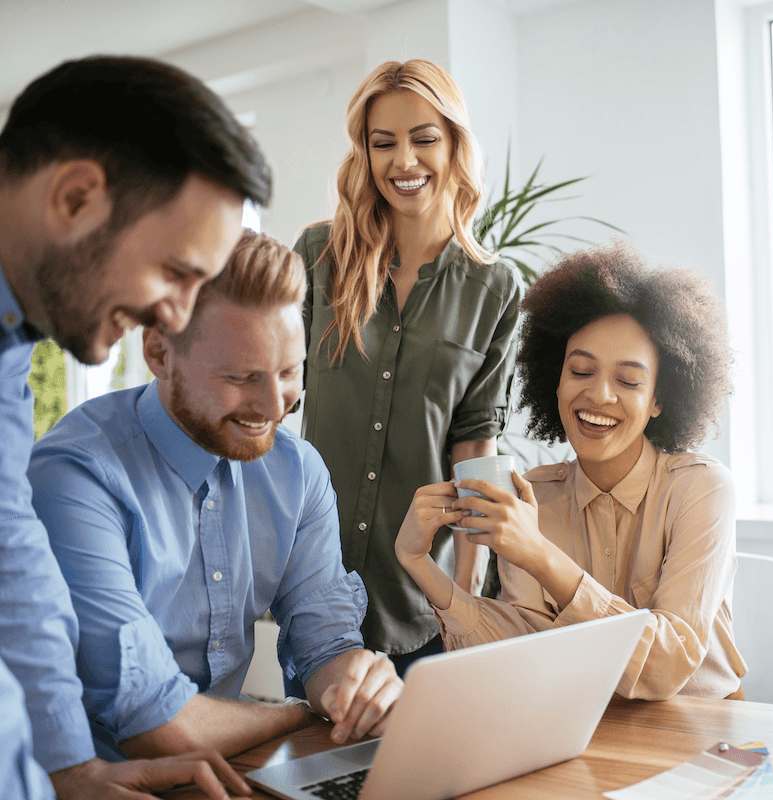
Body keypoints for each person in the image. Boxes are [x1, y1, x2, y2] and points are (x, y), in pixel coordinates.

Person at [0, 55, 270, 798]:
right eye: (177, 272)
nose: (176, 319)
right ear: (77, 197)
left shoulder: (11, 342)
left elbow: (12, 561)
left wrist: (70, 772)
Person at [28, 231, 402, 762]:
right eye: (240, 377)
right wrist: (294, 712)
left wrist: (355, 687)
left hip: (227, 769)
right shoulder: (76, 478)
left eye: (289, 372)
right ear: (159, 352)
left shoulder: (297, 472)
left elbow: (326, 646)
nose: (274, 405)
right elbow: (156, 727)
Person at [395, 243, 747, 700]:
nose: (599, 395)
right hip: (586, 729)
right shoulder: (535, 496)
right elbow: (524, 655)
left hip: (702, 734)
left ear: (659, 399)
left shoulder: (702, 489)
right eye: (580, 370)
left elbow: (664, 666)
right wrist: (420, 565)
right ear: (555, 380)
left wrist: (540, 555)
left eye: (628, 381)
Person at [293, 59, 522, 674]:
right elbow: (271, 396)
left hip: (421, 599)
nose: (404, 162)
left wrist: (467, 601)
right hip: (315, 585)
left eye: (424, 139)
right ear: (364, 154)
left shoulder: (493, 286)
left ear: (453, 144)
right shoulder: (318, 257)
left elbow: (475, 444)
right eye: (383, 143)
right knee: (323, 768)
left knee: (430, 768)